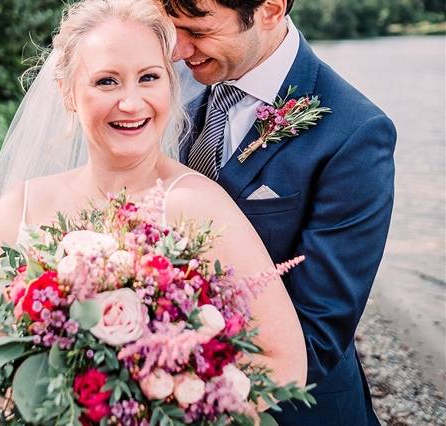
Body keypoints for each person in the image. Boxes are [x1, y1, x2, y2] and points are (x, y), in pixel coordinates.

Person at [0, 0, 306, 424]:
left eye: (149, 78)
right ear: (69, 91)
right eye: (107, 81)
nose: (131, 102)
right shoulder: (21, 206)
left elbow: (285, 361)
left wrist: (160, 408)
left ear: (171, 84)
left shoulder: (201, 206)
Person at [159, 0, 397, 424]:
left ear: (269, 9)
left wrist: (174, 391)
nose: (178, 49)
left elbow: (318, 332)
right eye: (172, 28)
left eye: (197, 30)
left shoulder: (356, 133)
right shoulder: (165, 86)